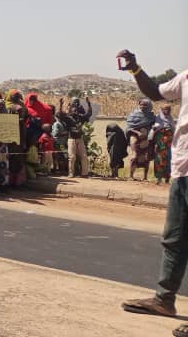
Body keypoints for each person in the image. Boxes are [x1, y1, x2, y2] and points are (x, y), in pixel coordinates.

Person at [116, 51, 188, 337]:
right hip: (182, 170)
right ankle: (164, 300)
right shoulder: (186, 78)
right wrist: (135, 69)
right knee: (174, 238)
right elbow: (156, 92)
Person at [56, 97, 92, 177]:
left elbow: (89, 114)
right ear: (71, 108)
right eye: (74, 106)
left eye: (77, 106)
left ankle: (84, 173)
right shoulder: (68, 118)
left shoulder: (81, 117)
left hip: (80, 139)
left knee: (84, 156)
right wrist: (61, 105)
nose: (75, 109)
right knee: (72, 157)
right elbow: (59, 114)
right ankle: (71, 173)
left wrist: (89, 104)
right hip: (71, 139)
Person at [126, 98, 156, 181]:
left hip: (146, 138)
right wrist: (138, 132)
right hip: (135, 137)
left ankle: (145, 177)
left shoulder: (151, 116)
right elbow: (129, 128)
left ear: (149, 106)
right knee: (134, 156)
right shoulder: (134, 115)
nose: (142, 106)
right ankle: (131, 176)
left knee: (146, 157)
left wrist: (152, 130)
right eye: (141, 104)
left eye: (145, 105)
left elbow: (154, 126)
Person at [156, 105, 175, 184]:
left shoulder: (171, 118)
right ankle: (159, 179)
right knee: (160, 159)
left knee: (169, 160)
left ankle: (167, 179)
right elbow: (155, 131)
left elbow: (173, 130)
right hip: (161, 141)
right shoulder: (158, 118)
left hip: (170, 142)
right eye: (164, 109)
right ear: (162, 110)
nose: (166, 110)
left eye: (168, 109)